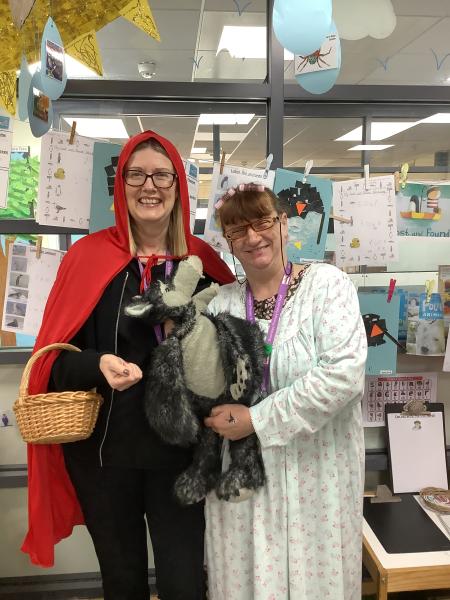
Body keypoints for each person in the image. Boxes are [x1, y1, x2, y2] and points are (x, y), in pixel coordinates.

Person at [21, 130, 234, 600]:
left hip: (182, 459)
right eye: (136, 175)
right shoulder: (87, 257)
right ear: (121, 185)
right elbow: (52, 365)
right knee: (122, 585)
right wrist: (97, 364)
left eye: (161, 175)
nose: (149, 186)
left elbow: (233, 359)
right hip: (104, 459)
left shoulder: (203, 262)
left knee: (185, 586)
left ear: (178, 186)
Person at [204, 184, 367, 599]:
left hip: (317, 479)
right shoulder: (221, 306)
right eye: (237, 229)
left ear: (283, 223)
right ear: (228, 242)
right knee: (245, 583)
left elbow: (343, 376)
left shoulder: (326, 287)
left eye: (262, 222)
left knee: (317, 583)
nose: (253, 237)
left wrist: (257, 419)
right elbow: (204, 386)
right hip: (243, 483)